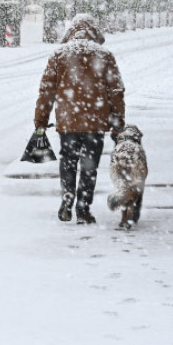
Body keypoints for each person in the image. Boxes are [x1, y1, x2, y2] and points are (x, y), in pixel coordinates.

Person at [34, 14, 125, 224]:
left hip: (68, 122)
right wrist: (118, 122)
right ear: (94, 32)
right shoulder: (104, 55)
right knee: (89, 165)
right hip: (95, 121)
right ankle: (83, 208)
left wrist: (40, 120)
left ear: (71, 31)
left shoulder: (59, 55)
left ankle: (67, 194)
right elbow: (116, 91)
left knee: (68, 159)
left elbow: (46, 91)